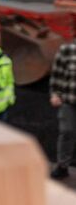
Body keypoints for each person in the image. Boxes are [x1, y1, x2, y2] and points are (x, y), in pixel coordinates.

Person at [49, 40, 76, 179]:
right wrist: (55, 94)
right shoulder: (67, 49)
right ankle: (62, 166)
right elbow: (56, 74)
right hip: (68, 100)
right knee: (67, 131)